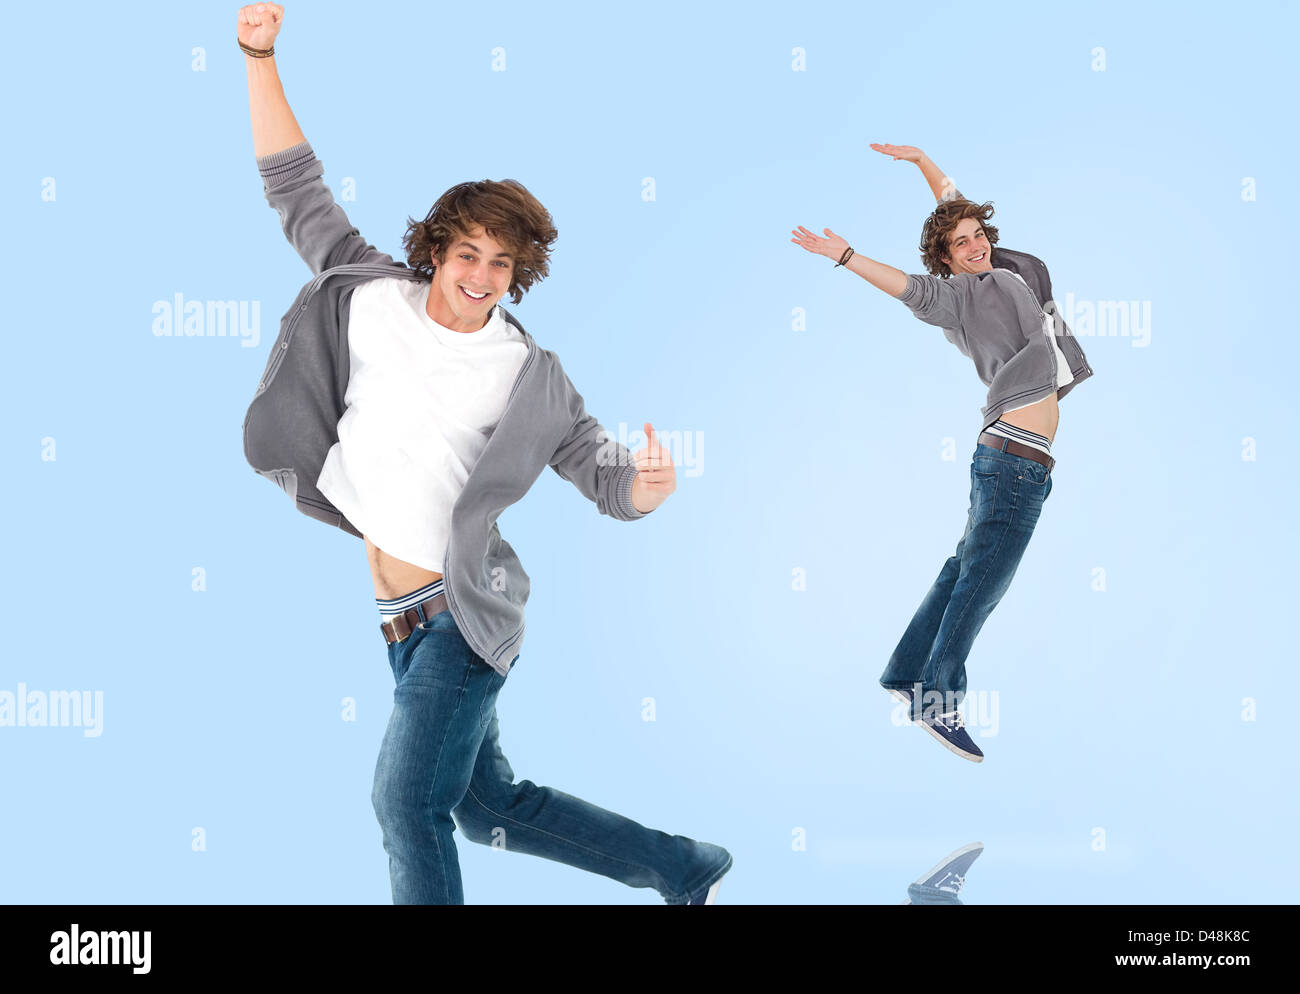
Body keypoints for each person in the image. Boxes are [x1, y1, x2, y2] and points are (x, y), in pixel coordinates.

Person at [237, 2, 731, 903]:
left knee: (404, 806)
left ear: (520, 273)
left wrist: (647, 487)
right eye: (467, 252)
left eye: (501, 264)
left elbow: (602, 475)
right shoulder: (365, 291)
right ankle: (680, 863)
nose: (480, 277)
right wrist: (256, 55)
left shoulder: (526, 373)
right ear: (435, 251)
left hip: (465, 621)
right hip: (399, 620)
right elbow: (292, 184)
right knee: (484, 804)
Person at [791, 143, 1093, 763]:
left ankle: (907, 671)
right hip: (1013, 458)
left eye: (977, 234)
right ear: (946, 260)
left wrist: (923, 162)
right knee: (984, 579)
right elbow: (906, 288)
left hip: (1011, 459)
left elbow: (954, 202)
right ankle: (936, 699)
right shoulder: (960, 297)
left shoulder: (1005, 269)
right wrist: (845, 256)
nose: (975, 244)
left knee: (965, 568)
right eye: (960, 244)